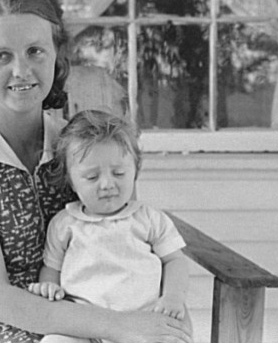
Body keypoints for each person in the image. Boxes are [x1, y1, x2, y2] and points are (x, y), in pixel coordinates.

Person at [0, 0, 193, 343]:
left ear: (56, 55)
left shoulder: (82, 150)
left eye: (35, 51)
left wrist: (164, 308)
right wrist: (121, 327)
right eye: (1, 56)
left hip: (85, 313)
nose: (21, 70)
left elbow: (124, 231)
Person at [27, 110, 190, 343]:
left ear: (135, 170)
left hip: (144, 321)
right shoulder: (64, 224)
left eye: (119, 173)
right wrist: (49, 286)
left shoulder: (149, 219)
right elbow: (51, 268)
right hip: (83, 325)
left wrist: (173, 296)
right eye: (92, 177)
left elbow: (174, 260)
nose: (107, 184)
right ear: (71, 181)